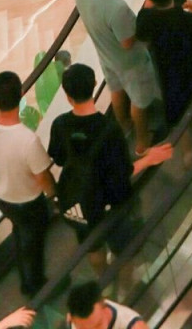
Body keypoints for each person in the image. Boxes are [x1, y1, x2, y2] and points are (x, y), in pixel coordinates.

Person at [47, 63, 170, 255]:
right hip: (110, 204)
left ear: (68, 96)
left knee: (92, 247)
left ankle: (103, 270)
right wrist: (149, 159)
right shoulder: (109, 129)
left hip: (80, 203)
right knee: (124, 247)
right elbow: (123, 172)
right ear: (95, 84)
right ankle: (123, 269)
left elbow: (60, 158)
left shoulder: (60, 124)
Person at [73, 0, 163, 154]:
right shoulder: (116, 9)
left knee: (116, 89)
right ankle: (142, 143)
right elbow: (128, 42)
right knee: (139, 102)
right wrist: (148, 5)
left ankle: (124, 126)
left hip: (107, 57)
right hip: (130, 63)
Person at [0, 71, 55, 296]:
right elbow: (42, 177)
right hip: (29, 203)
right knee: (35, 242)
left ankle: (24, 274)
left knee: (20, 232)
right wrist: (53, 195)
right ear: (21, 95)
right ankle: (35, 284)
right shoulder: (28, 140)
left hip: (2, 198)